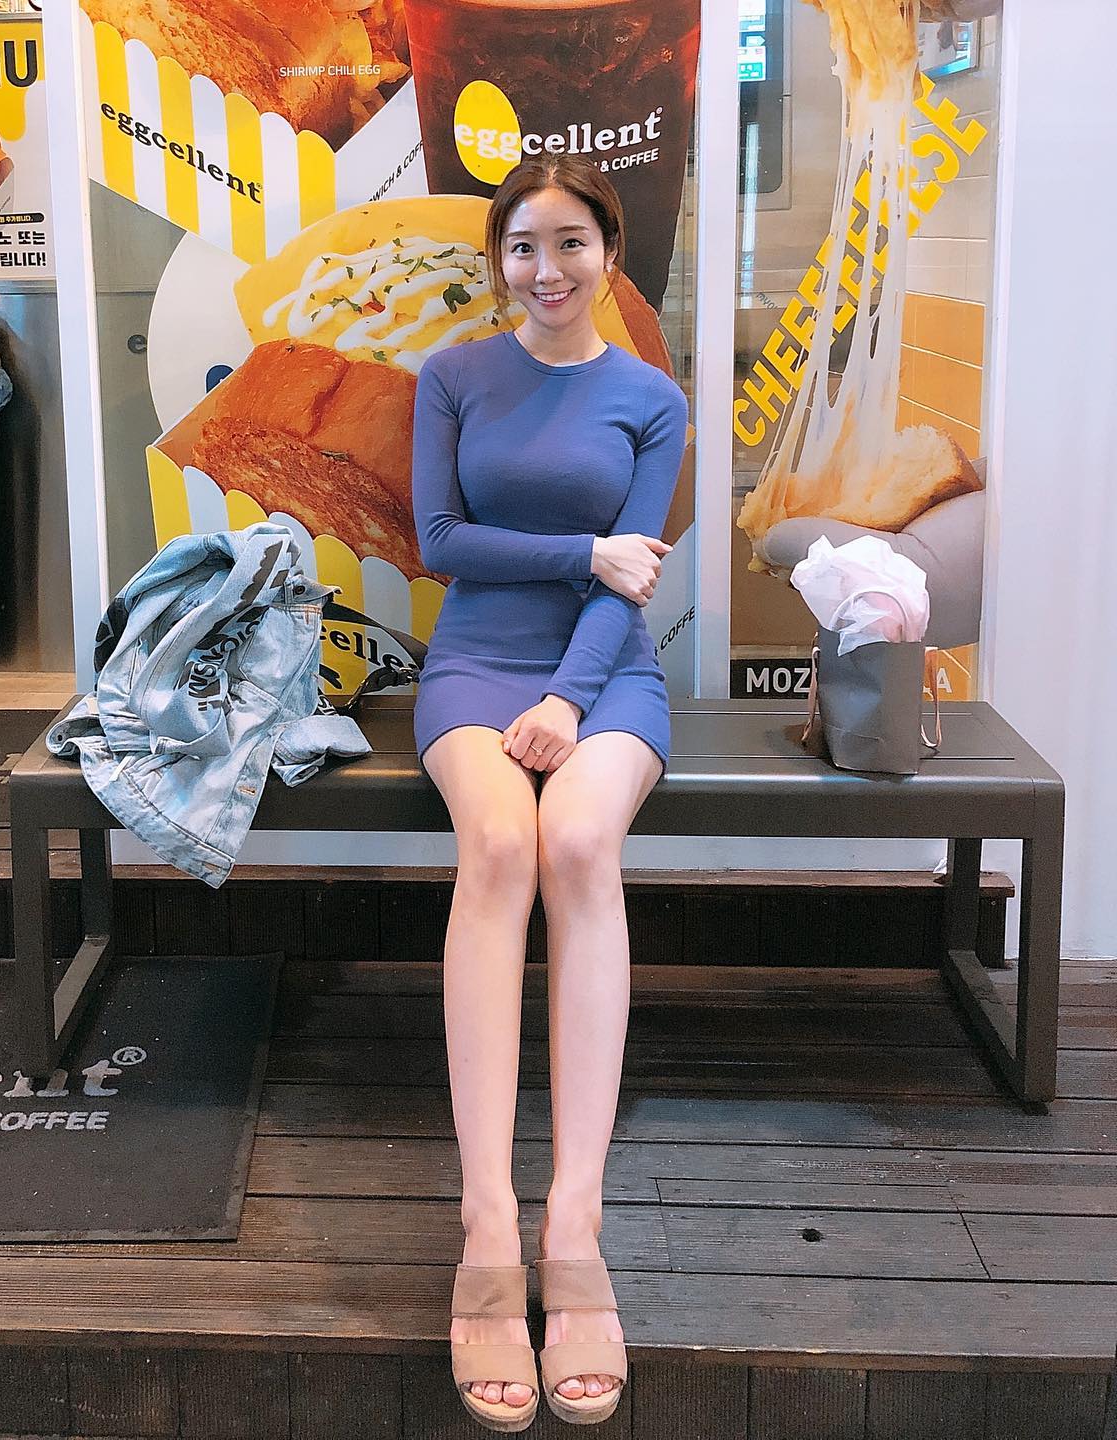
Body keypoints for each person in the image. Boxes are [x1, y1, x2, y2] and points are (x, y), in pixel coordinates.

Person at [410, 154, 687, 1430]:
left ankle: (573, 1222)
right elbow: (442, 544)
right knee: (500, 847)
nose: (547, 268)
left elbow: (636, 585)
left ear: (609, 254)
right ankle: (487, 1220)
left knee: (576, 842)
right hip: (474, 659)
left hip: (605, 673)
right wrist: (584, 548)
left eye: (570, 242)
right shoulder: (456, 374)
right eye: (523, 245)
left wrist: (572, 702)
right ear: (500, 261)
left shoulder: (651, 398)